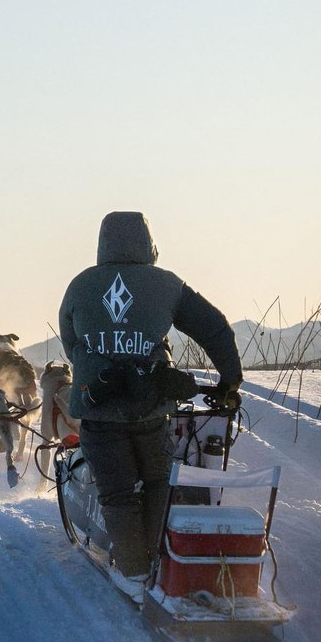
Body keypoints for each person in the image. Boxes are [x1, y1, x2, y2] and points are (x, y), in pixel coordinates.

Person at [58, 210, 243, 602]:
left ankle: (133, 573)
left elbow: (71, 343)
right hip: (151, 409)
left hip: (99, 410)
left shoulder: (79, 286)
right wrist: (229, 380)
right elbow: (215, 327)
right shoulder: (168, 285)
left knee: (118, 491)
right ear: (148, 244)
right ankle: (161, 563)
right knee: (159, 481)